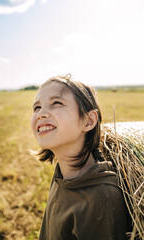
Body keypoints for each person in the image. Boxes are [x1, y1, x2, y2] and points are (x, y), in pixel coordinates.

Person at [31, 74, 131, 240]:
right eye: (37, 107)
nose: (41, 113)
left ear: (88, 121)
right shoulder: (63, 173)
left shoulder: (101, 199)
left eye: (57, 103)